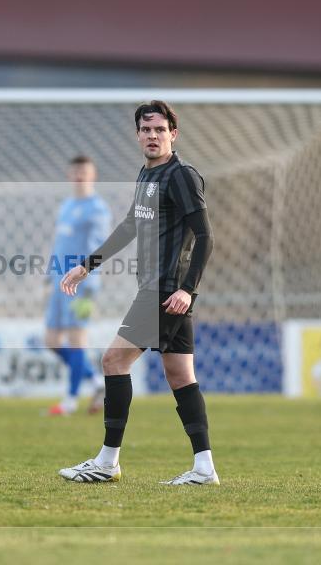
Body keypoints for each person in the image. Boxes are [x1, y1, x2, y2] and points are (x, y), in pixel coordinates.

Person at [57, 100, 218, 485]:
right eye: (146, 130)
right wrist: (87, 265)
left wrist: (187, 291)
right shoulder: (147, 176)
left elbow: (206, 236)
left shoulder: (181, 176)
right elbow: (131, 226)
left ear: (173, 134)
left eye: (160, 130)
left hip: (165, 291)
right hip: (159, 290)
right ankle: (204, 468)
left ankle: (107, 462)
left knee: (113, 361)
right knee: (180, 375)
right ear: (137, 134)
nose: (152, 136)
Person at [44, 156, 110, 415]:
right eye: (75, 171)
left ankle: (70, 401)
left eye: (84, 171)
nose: (79, 175)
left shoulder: (98, 209)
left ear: (93, 174)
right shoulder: (67, 205)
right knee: (50, 340)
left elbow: (100, 247)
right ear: (70, 174)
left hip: (82, 283)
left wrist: (90, 277)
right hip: (59, 281)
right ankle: (95, 381)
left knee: (76, 339)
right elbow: (59, 244)